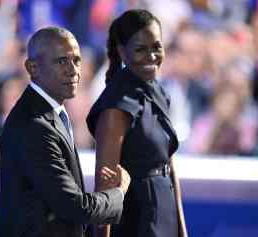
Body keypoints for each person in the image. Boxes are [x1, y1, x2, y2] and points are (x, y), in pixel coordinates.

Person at [0, 27, 131, 237]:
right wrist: (118, 193)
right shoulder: (34, 126)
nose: (73, 70)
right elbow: (75, 207)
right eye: (61, 61)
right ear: (32, 67)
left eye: (76, 60)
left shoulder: (51, 113)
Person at [87, 9, 188, 237]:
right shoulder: (116, 106)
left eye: (157, 47)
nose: (152, 56)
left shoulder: (160, 92)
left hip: (165, 212)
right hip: (136, 219)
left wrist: (181, 228)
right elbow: (104, 187)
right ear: (122, 52)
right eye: (141, 49)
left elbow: (169, 165)